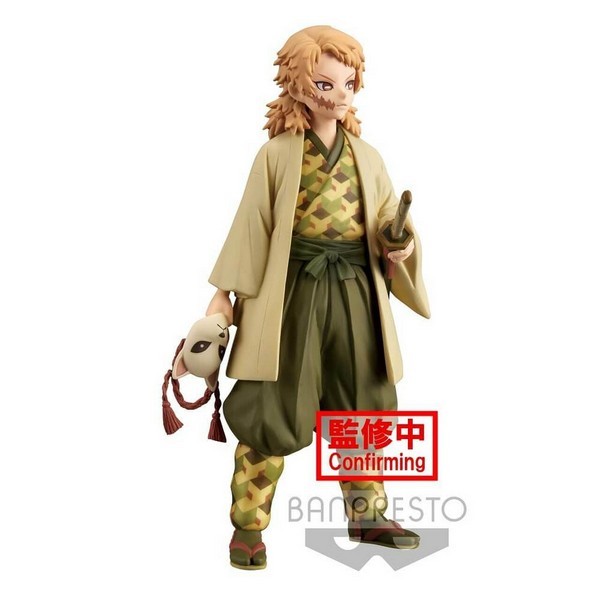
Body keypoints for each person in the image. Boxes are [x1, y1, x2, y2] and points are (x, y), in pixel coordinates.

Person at [205, 25, 430, 570]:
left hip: (356, 291)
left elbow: (386, 221)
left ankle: (368, 514)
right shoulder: (277, 155)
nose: (339, 95)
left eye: (348, 83)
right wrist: (222, 298)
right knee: (272, 403)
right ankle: (248, 527)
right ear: (297, 83)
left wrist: (398, 242)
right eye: (325, 84)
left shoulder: (367, 157)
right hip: (291, 293)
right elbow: (252, 227)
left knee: (361, 398)